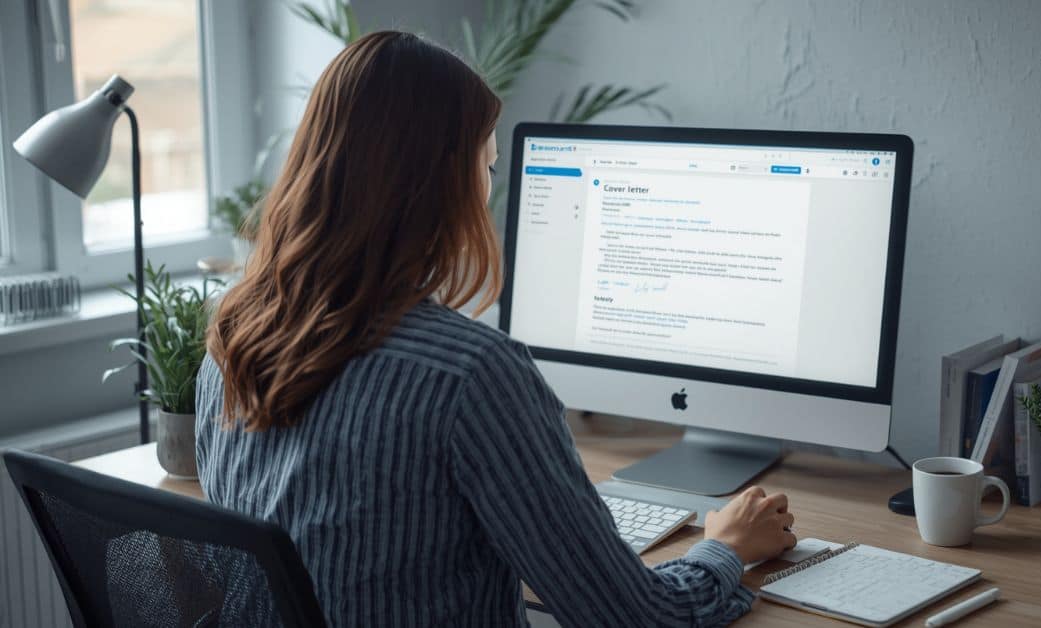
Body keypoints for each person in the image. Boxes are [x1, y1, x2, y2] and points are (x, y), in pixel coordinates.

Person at [196, 31, 796, 627]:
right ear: (441, 187)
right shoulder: (470, 374)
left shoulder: (232, 340)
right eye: (485, 164)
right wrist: (726, 547)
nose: (487, 190)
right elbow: (637, 618)